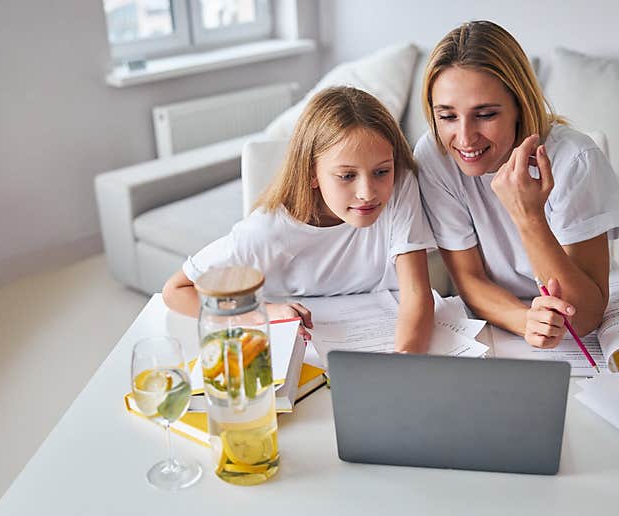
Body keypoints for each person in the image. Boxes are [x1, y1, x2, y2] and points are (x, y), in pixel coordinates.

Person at [415, 21, 619, 516]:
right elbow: (467, 277)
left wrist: (527, 214)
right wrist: (523, 317)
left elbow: (588, 312)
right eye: (447, 115)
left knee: (553, 465)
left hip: (578, 332)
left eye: (485, 113)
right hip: (502, 324)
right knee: (465, 438)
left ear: (520, 106)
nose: (465, 137)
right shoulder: (435, 159)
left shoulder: (576, 161)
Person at [163, 86, 435, 353]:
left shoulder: (399, 185)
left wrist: (404, 363)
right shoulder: (265, 232)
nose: (367, 193)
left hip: (383, 337)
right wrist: (263, 314)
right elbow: (177, 291)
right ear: (311, 173)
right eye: (347, 176)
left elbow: (416, 292)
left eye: (381, 172)